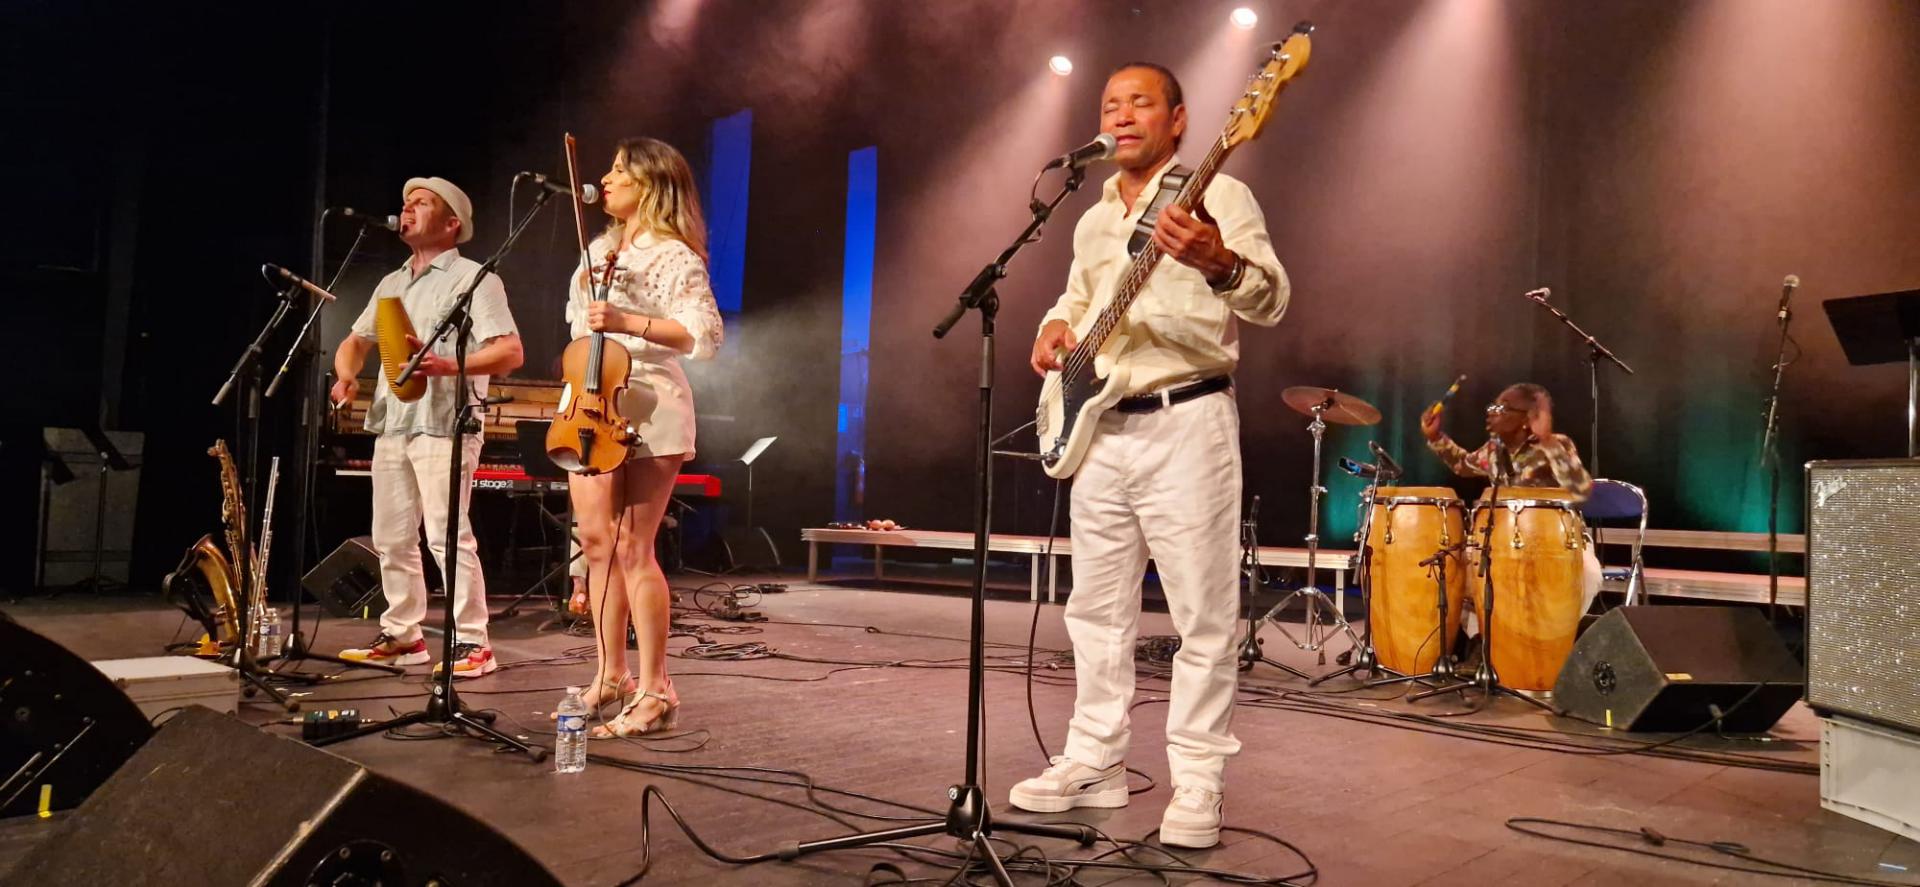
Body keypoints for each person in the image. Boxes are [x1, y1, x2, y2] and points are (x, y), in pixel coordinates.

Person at [1012, 62, 1288, 849]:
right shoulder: (1093, 217)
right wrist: (1053, 328)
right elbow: (1077, 301)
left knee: (1203, 614)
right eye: (1110, 105)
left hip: (1187, 419)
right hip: (1102, 425)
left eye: (1140, 102)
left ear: (1178, 119)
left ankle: (1198, 779)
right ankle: (1094, 761)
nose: (1122, 115)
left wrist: (1217, 261)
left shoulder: (1221, 193)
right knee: (1096, 609)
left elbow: (1271, 298)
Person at [332, 176, 524, 677]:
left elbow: (509, 351)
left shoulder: (474, 278)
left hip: (446, 422)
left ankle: (473, 642)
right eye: (406, 202)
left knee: (446, 535)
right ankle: (403, 636)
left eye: (421, 202)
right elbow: (355, 341)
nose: (407, 208)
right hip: (394, 420)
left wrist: (447, 366)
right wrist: (346, 376)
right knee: (391, 537)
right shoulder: (391, 283)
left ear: (452, 222)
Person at [564, 138, 723, 738]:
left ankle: (658, 689)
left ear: (651, 184)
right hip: (589, 400)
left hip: (649, 401)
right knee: (595, 543)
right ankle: (612, 675)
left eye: (619, 170)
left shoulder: (673, 255)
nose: (605, 179)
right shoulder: (598, 250)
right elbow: (578, 324)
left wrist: (629, 321)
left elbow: (703, 334)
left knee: (634, 545)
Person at [1421, 382, 1602, 616]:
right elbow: (1462, 465)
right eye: (1492, 406)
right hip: (1504, 542)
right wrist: (1435, 436)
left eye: (1502, 408)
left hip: (1558, 543)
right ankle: (1483, 635)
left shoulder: (1555, 445)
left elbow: (1582, 490)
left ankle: (1559, 633)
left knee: (1589, 575)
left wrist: (1548, 442)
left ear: (1527, 419)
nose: (1492, 413)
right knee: (1455, 571)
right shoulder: (1492, 450)